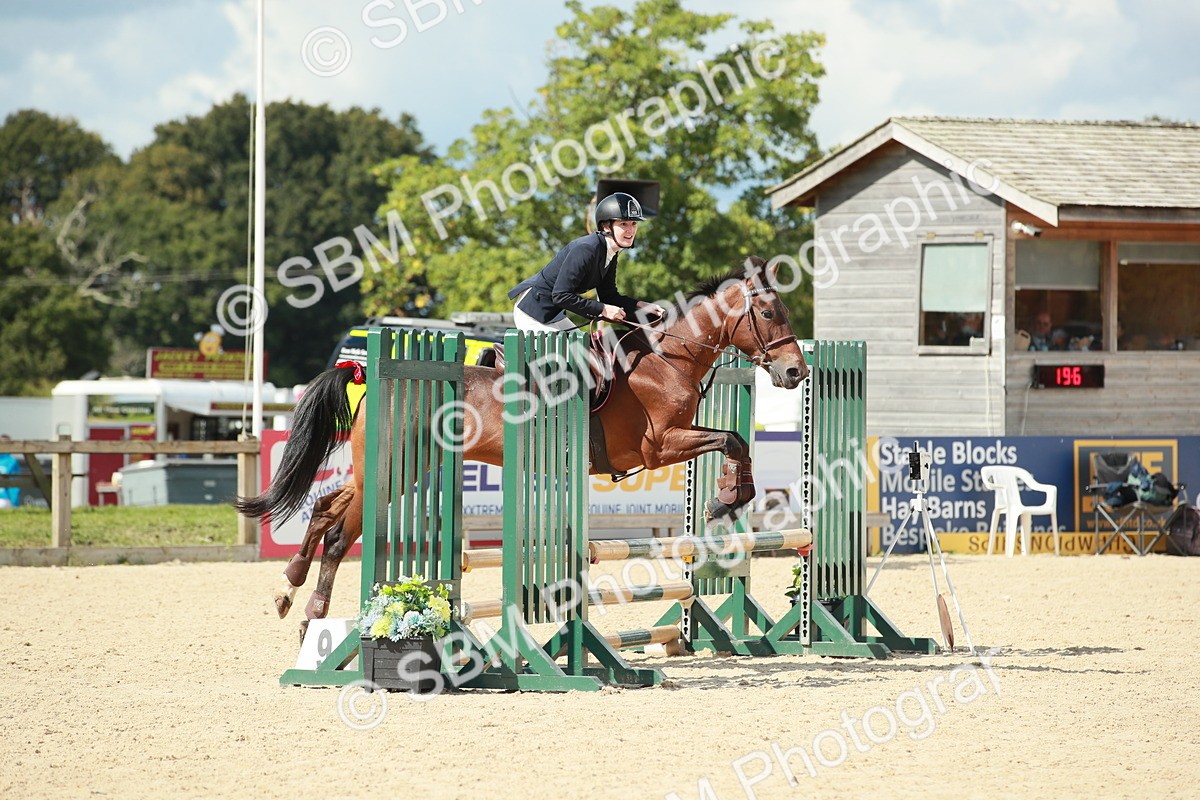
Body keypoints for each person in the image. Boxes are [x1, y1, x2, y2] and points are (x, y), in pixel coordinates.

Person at [508, 192, 667, 331]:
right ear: (606, 227)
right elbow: (561, 295)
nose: (630, 230)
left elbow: (609, 296)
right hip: (532, 310)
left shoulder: (610, 252)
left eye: (634, 223)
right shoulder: (587, 249)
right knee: (568, 357)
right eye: (623, 224)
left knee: (584, 352)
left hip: (553, 313)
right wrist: (603, 310)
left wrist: (642, 306)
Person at [0, 435, 21, 509]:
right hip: (5, 499)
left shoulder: (11, 461)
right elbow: (15, 484)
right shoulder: (12, 461)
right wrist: (15, 504)